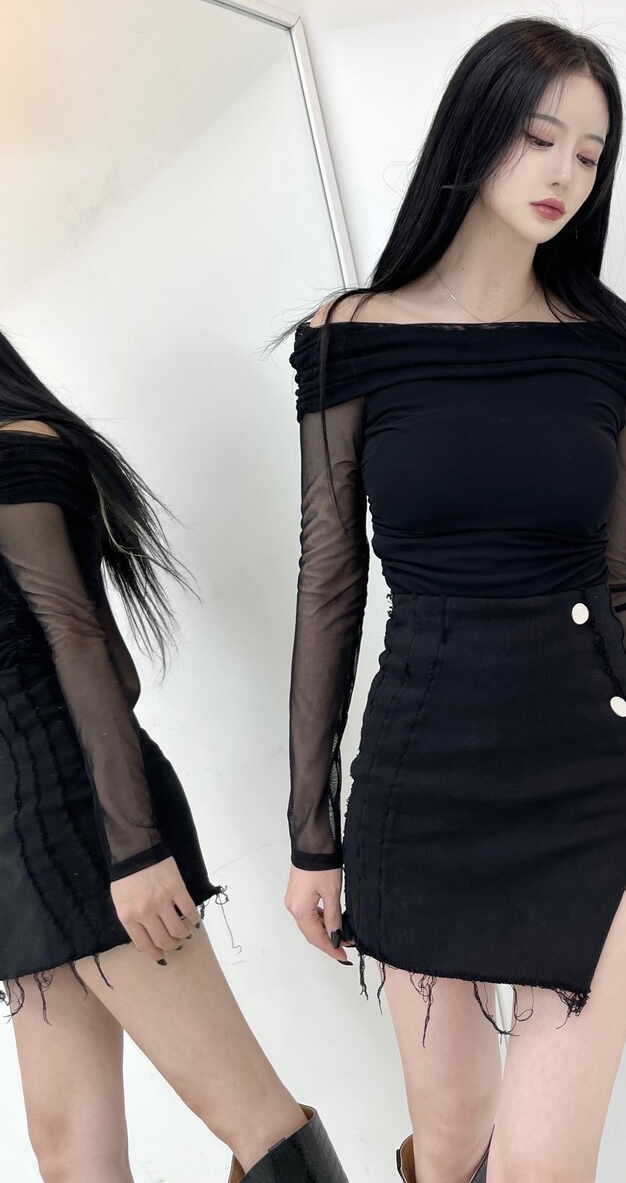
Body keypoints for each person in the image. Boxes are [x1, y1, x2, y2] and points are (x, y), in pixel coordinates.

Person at [279, 16, 626, 1183]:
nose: (562, 174)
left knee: (540, 1168)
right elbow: (329, 585)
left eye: (589, 154)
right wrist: (310, 831)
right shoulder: (349, 342)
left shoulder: (610, 354)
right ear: (473, 133)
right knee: (448, 1145)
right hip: (421, 783)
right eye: (540, 137)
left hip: (590, 791)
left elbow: (613, 589)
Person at [0, 329, 350, 1182]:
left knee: (252, 1116)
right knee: (68, 1152)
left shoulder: (16, 449)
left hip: (89, 822)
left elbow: (86, 645)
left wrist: (134, 846)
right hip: (18, 851)